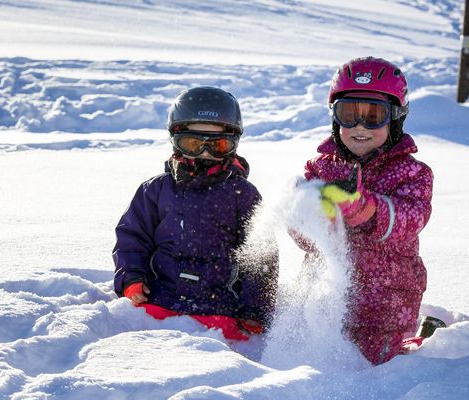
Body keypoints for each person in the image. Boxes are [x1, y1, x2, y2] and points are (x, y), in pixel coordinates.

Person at [113, 86, 278, 341]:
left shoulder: (243, 195)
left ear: (233, 144)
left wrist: (255, 307)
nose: (205, 154)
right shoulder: (155, 190)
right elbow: (132, 237)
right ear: (176, 140)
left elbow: (261, 256)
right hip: (159, 302)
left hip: (221, 312)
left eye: (218, 145)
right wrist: (131, 277)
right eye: (192, 144)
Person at [299, 56, 434, 364]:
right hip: (323, 301)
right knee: (313, 362)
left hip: (385, 304)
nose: (359, 127)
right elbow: (304, 238)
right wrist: (309, 217)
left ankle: (420, 340)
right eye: (348, 114)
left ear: (396, 118)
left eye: (373, 116)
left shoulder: (412, 174)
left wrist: (366, 209)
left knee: (377, 371)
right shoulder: (319, 169)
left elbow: (410, 219)